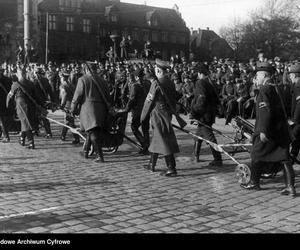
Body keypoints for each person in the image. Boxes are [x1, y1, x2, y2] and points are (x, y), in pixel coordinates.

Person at [241, 62, 296, 197]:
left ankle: (254, 182)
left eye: (257, 76)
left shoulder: (265, 89)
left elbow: (265, 112)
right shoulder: (279, 87)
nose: (256, 78)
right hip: (281, 129)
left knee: (256, 154)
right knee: (284, 158)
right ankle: (290, 187)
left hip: (269, 130)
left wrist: (263, 130)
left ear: (264, 75)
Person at [141, 59, 180, 177]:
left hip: (158, 114)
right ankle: (151, 164)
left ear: (158, 70)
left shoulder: (156, 83)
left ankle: (171, 168)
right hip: (167, 112)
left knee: (163, 139)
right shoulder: (170, 82)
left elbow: (149, 101)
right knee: (158, 138)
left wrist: (143, 117)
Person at [71, 62, 111, 163]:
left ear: (86, 70)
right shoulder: (103, 80)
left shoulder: (83, 80)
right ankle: (85, 151)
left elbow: (77, 96)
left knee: (93, 132)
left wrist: (73, 109)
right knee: (92, 130)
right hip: (101, 111)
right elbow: (108, 97)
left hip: (88, 110)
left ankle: (99, 156)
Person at [190, 63, 223, 166]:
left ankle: (217, 158)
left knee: (209, 137)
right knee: (198, 135)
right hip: (209, 113)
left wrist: (194, 112)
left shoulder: (200, 83)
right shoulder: (209, 82)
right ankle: (195, 156)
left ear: (200, 73)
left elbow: (201, 99)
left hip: (203, 115)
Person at [6, 65, 38, 149]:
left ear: (18, 74)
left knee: (26, 123)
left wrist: (8, 107)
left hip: (21, 105)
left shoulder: (15, 84)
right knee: (24, 122)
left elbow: (9, 96)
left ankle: (31, 143)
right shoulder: (30, 83)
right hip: (30, 105)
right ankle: (22, 139)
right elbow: (36, 96)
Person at [124, 68, 150, 154]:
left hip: (138, 111)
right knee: (145, 129)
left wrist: (126, 109)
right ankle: (146, 147)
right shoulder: (148, 83)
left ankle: (144, 143)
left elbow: (132, 99)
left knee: (134, 127)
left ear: (137, 77)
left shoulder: (135, 86)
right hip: (147, 110)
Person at [59, 72, 80, 144]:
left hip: (67, 106)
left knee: (70, 122)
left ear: (63, 78)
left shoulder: (63, 85)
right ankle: (63, 135)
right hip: (72, 105)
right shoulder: (71, 85)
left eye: (61, 77)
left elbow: (64, 95)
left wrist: (62, 105)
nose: (60, 78)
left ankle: (76, 138)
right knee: (68, 121)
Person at [289, 63, 300, 162]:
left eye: (291, 75)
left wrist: (294, 120)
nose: (290, 76)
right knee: (297, 141)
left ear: (295, 75)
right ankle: (292, 159)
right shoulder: (295, 85)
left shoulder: (298, 85)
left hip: (298, 120)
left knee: (292, 137)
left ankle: (289, 161)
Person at [0, 67, 12, 143]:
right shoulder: (8, 79)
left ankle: (6, 136)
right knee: (3, 119)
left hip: (1, 102)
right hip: (6, 101)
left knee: (1, 120)